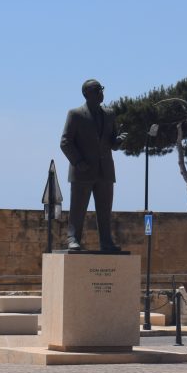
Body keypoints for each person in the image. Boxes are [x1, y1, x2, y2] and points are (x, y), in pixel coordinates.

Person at [60, 79, 127, 252]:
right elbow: (65, 142)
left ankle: (106, 241)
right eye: (97, 90)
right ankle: (73, 238)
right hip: (82, 171)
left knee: (105, 210)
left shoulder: (110, 114)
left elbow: (112, 142)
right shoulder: (75, 114)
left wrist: (118, 141)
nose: (101, 93)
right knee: (78, 209)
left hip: (105, 171)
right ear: (86, 94)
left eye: (101, 89)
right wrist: (78, 161)